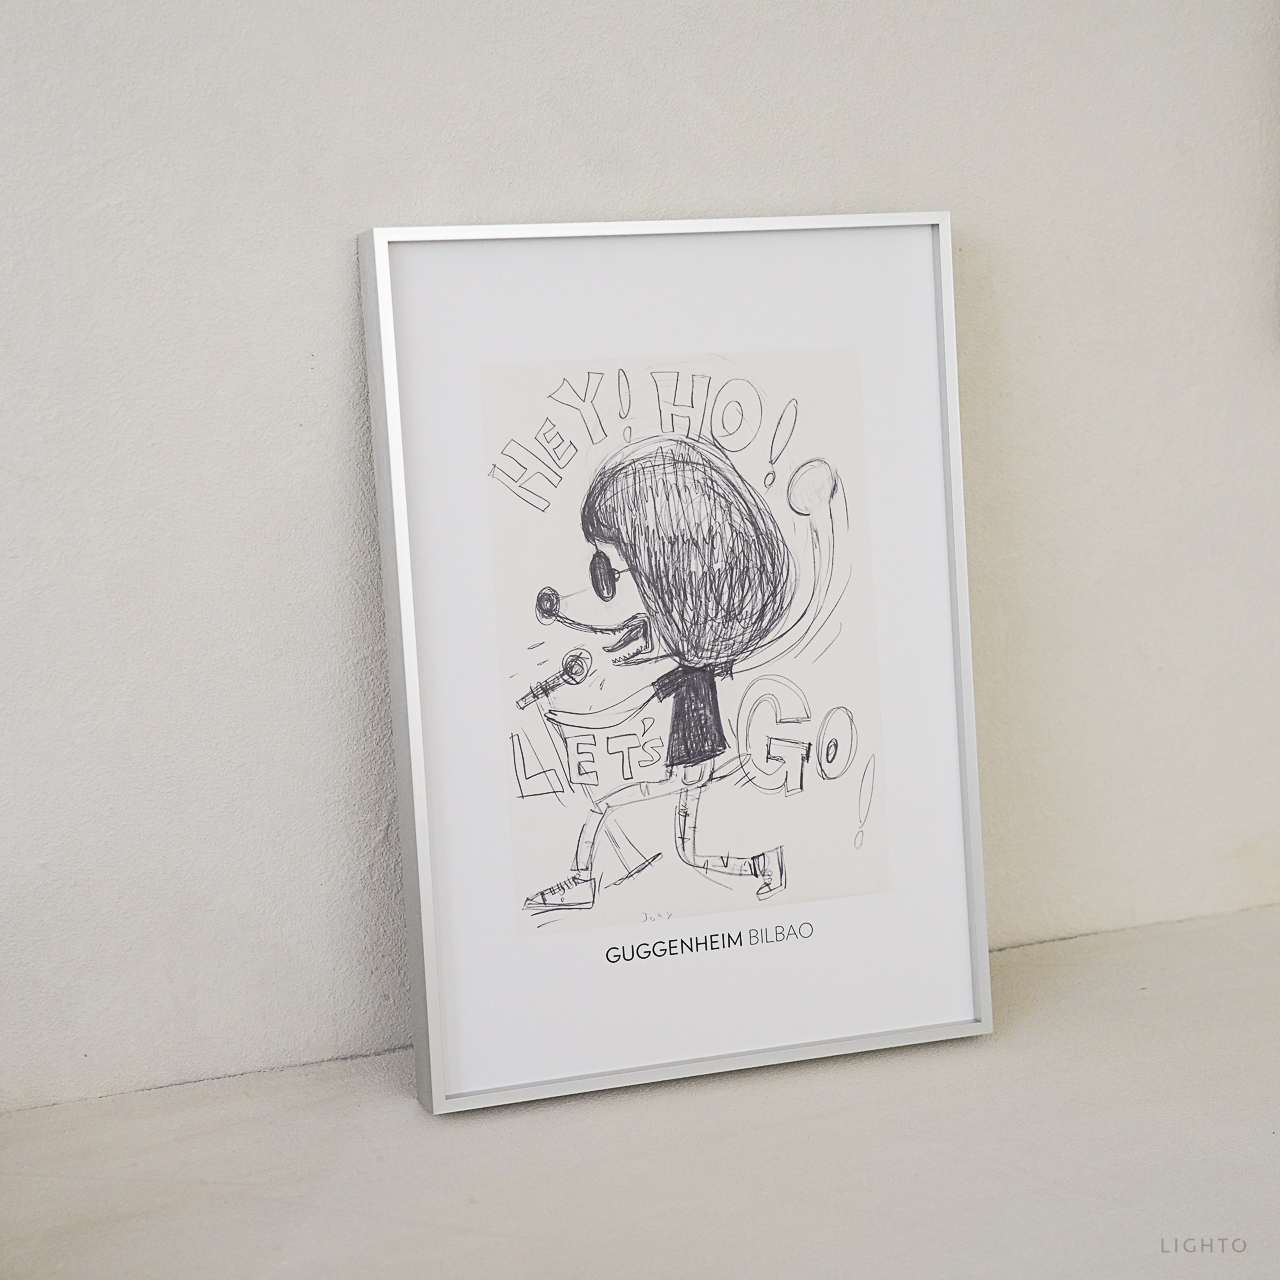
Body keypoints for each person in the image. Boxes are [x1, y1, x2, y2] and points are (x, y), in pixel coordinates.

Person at [524, 435, 795, 911]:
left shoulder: (691, 674)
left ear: (673, 578)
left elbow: (638, 703)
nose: (607, 586)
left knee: (608, 806)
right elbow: (636, 648)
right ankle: (763, 865)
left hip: (691, 761)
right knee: (687, 848)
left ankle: (582, 882)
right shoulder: (691, 660)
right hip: (690, 760)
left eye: (612, 572)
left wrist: (579, 718)